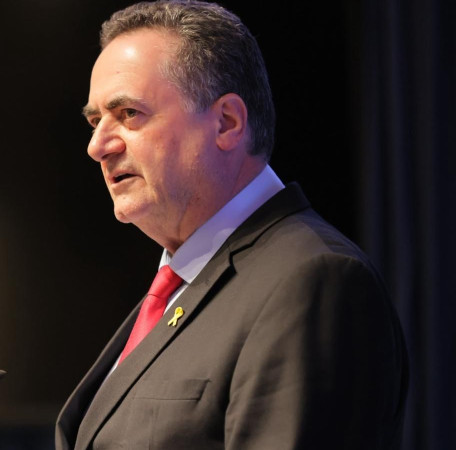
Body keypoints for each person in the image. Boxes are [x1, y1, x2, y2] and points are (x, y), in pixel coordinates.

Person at [55, 1, 408, 449]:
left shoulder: (314, 282)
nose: (97, 145)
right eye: (94, 120)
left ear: (227, 123)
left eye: (128, 114)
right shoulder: (181, 285)